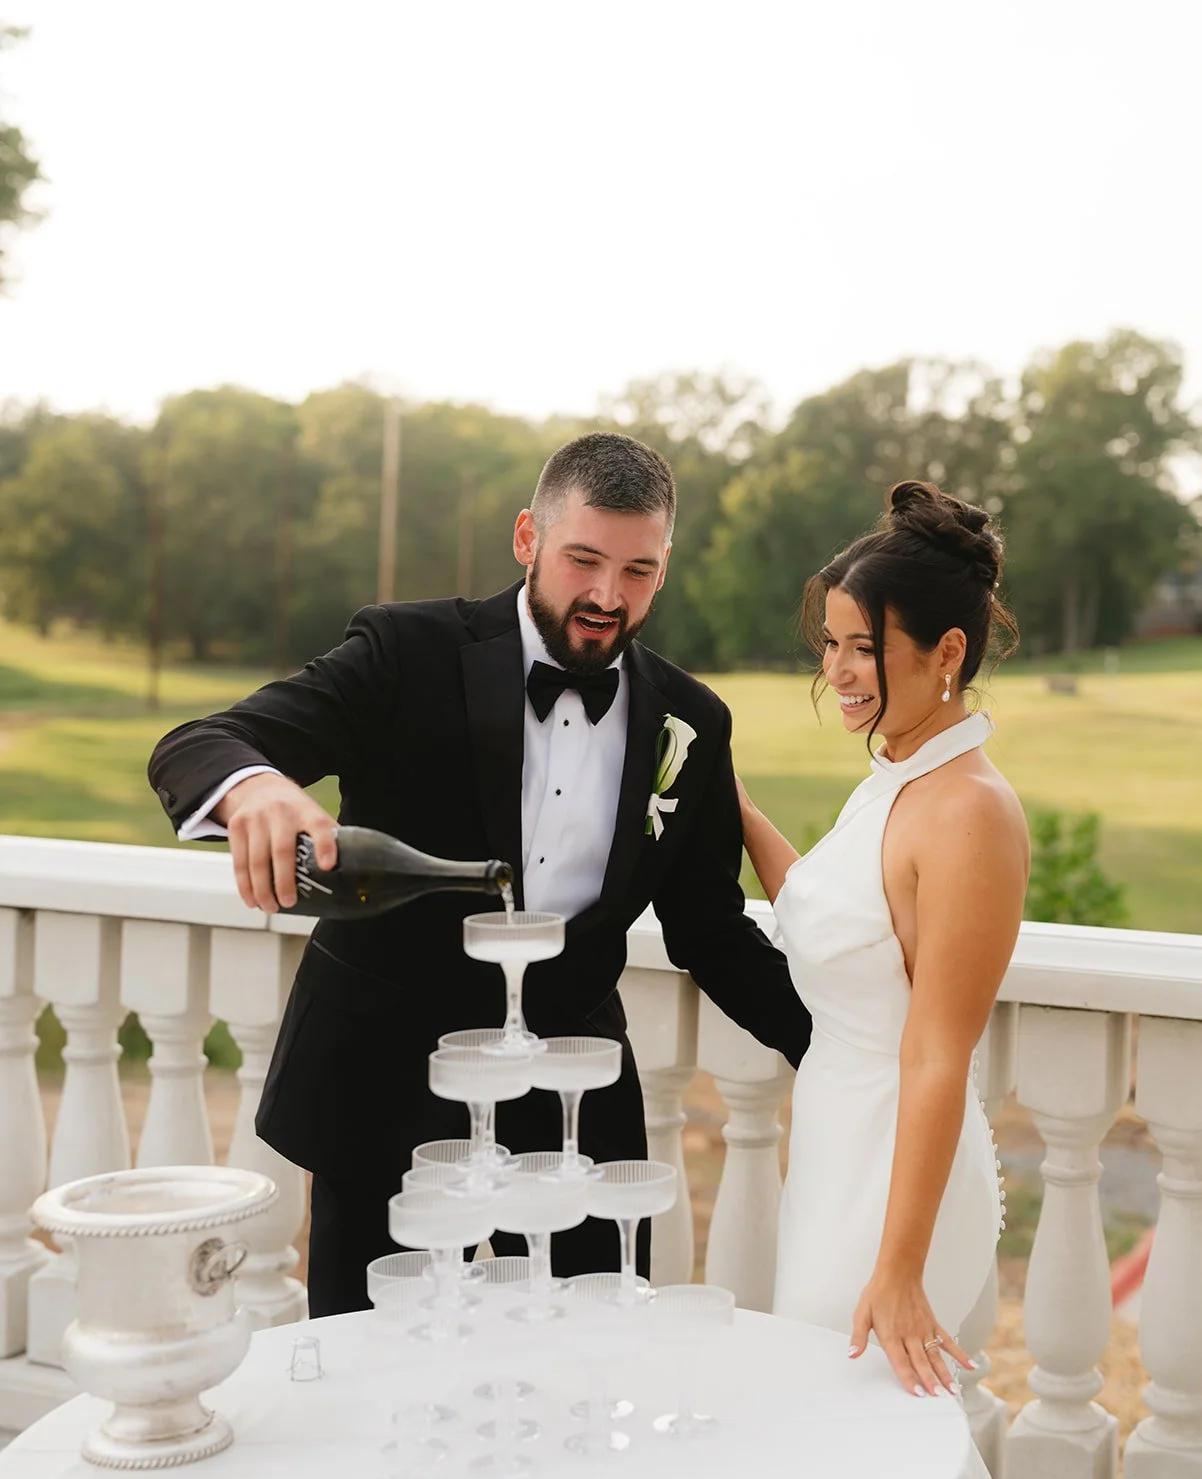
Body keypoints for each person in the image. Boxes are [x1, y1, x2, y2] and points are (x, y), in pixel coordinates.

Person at [149, 431, 810, 1316]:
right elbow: (202, 742)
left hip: (575, 1117)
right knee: (381, 1365)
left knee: (587, 1355)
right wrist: (255, 789)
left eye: (639, 571)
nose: (608, 597)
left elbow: (711, 928)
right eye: (584, 560)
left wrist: (840, 1048)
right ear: (528, 538)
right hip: (388, 1096)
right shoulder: (405, 650)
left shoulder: (691, 719)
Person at [741, 480, 1044, 1479]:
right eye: (829, 644)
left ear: (945, 651)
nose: (838, 670)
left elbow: (937, 1049)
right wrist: (731, 802)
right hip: (837, 1152)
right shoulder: (894, 781)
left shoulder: (968, 811)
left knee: (855, 1460)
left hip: (896, 1181)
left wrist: (900, 1267)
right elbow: (827, 914)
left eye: (863, 647)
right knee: (835, 1459)